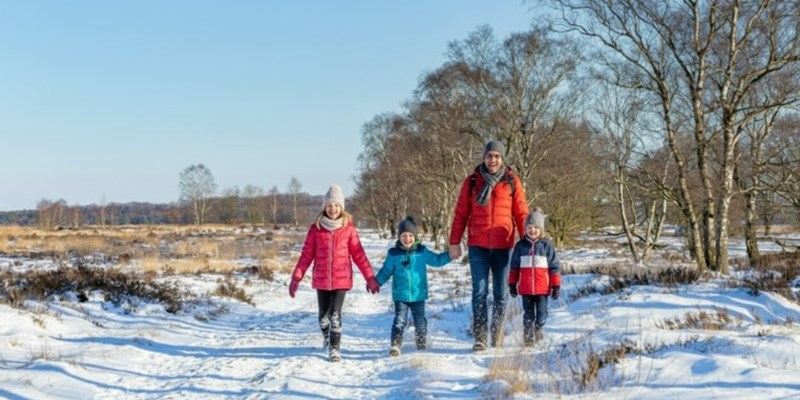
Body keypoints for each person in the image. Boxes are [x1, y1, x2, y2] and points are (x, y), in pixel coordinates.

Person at [449, 140, 529, 351]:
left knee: (501, 295)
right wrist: (454, 242)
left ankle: (498, 335)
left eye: (496, 156)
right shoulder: (473, 181)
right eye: (489, 156)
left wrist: (528, 243)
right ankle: (481, 337)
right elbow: (461, 213)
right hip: (478, 245)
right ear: (483, 158)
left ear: (502, 159)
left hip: (504, 246)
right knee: (479, 292)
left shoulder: (512, 181)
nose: (492, 160)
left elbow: (521, 213)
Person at [288, 184, 381, 362]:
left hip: (341, 280)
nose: (333, 209)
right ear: (324, 208)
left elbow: (359, 255)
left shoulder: (348, 229)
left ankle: (335, 349)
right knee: (323, 318)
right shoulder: (315, 229)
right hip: (321, 280)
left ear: (342, 207)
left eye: (336, 205)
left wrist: (370, 277)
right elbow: (306, 255)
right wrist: (296, 277)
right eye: (330, 206)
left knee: (335, 315)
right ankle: (326, 336)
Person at [375, 216, 452, 357]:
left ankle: (421, 343)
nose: (407, 238)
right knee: (399, 320)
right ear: (399, 237)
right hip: (401, 295)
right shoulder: (394, 254)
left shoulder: (422, 252)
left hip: (418, 295)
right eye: (404, 235)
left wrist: (450, 255)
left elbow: (436, 260)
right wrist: (377, 282)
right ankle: (395, 345)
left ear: (415, 236)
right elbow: (386, 270)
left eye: (411, 235)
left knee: (420, 322)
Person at [508, 208, 561, 347]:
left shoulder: (546, 246)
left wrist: (556, 286)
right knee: (528, 315)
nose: (532, 230)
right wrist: (512, 284)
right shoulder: (520, 247)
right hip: (526, 289)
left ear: (541, 229)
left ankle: (538, 328)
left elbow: (554, 267)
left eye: (536, 227)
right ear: (525, 229)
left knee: (542, 314)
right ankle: (528, 339)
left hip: (542, 289)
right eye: (529, 227)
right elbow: (514, 267)